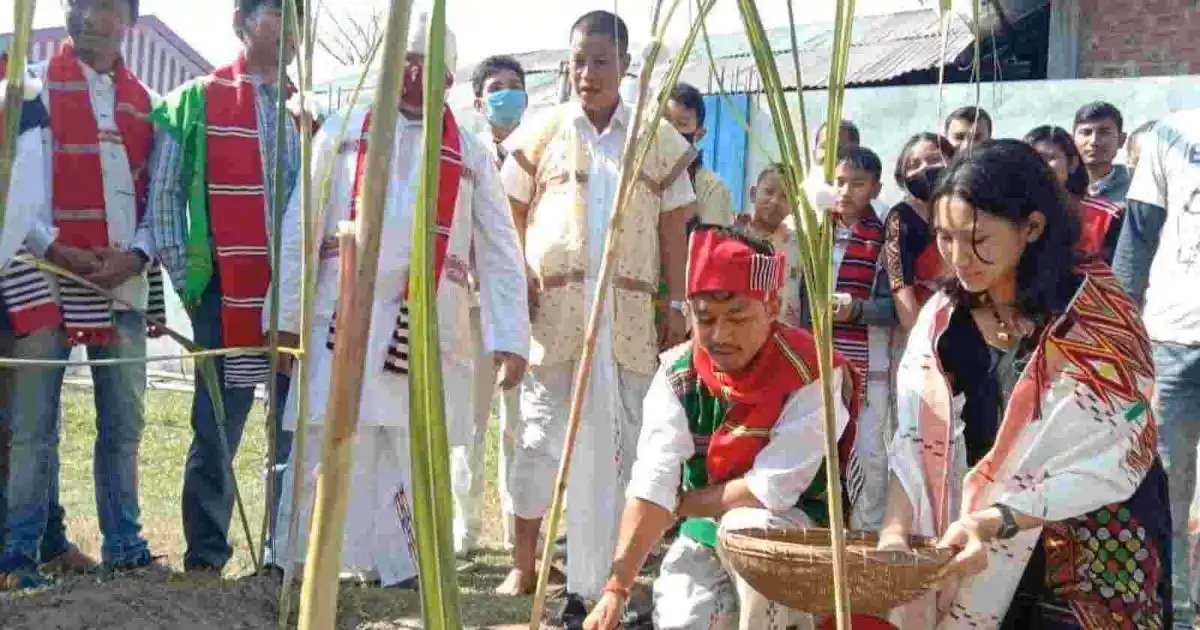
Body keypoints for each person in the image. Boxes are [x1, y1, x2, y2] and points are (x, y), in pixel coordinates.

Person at [269, 13, 530, 588]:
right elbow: (300, 226)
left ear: (447, 82)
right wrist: (286, 318)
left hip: (426, 320)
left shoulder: (470, 150)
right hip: (342, 315)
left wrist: (509, 336)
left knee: (410, 443)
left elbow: (500, 248)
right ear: (388, 68)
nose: (414, 78)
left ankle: (403, 566)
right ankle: (295, 560)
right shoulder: (342, 128)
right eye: (405, 65)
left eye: (428, 70)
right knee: (321, 431)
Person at [883, 140, 1171, 629]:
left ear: (1032, 228)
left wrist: (995, 520)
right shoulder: (942, 324)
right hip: (977, 542)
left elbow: (1111, 457)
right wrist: (893, 537)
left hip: (1095, 538)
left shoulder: (1098, 320)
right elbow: (913, 444)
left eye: (977, 239)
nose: (958, 258)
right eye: (945, 239)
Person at [499, 9, 698, 620]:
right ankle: (533, 563)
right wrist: (516, 286)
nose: (588, 73)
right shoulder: (540, 131)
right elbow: (508, 212)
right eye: (579, 61)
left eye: (602, 61)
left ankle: (607, 581)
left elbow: (676, 224)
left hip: (628, 316)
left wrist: (676, 301)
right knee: (540, 439)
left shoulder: (655, 138)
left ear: (625, 66)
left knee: (625, 446)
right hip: (556, 313)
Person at [582, 225, 860, 630]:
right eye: (705, 318)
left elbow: (773, 488)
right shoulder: (677, 374)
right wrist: (616, 590)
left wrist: (682, 504)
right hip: (705, 529)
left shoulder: (812, 370)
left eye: (737, 316)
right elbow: (652, 481)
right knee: (684, 618)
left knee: (747, 529)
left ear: (772, 306)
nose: (719, 335)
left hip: (793, 531)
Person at [0, 0, 162, 587]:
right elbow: (18, 190)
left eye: (102, 6)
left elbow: (156, 200)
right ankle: (19, 554)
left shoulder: (148, 106)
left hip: (122, 280)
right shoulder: (31, 91)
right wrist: (53, 247)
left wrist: (135, 255)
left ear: (129, 20)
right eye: (76, 3)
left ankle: (126, 546)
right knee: (34, 423)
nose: (85, 16)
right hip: (47, 278)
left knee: (124, 423)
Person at [147, 0, 302, 573]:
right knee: (217, 429)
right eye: (277, 15)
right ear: (241, 23)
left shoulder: (304, 111)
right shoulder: (196, 101)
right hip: (225, 294)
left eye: (298, 19)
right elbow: (163, 198)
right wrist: (192, 287)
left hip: (293, 298)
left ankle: (282, 555)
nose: (290, 30)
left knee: (291, 429)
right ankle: (207, 556)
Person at [1113, 109, 1200, 623]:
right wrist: (1121, 335)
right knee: (1167, 489)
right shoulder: (1174, 131)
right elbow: (1138, 240)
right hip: (1171, 341)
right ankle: (1172, 610)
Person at [455, 53, 530, 555]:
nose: (509, 95)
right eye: (498, 87)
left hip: (530, 311)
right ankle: (464, 530)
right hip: (474, 308)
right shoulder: (462, 148)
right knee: (471, 422)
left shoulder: (539, 150)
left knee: (522, 426)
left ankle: (516, 529)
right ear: (479, 99)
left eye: (516, 86)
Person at [884, 133, 954, 333]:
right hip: (923, 330)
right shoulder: (899, 218)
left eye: (933, 159)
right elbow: (900, 286)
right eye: (913, 165)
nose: (924, 168)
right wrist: (922, 340)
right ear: (902, 176)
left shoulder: (974, 211)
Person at [1025, 125, 1125, 264]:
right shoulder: (1013, 213)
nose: (1040, 166)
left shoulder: (1108, 217)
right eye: (1033, 159)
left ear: (1072, 163)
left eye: (1049, 158)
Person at [736, 164, 802, 327]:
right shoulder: (735, 238)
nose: (774, 201)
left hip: (785, 336)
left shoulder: (799, 248)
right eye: (769, 191)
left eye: (785, 197)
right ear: (752, 193)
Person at [665, 82, 734, 226]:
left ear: (699, 134)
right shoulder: (638, 177)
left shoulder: (712, 189)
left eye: (682, 124)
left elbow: (710, 245)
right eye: (665, 122)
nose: (669, 131)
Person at [1072, 101, 1130, 206]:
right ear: (1072, 140)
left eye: (1104, 132)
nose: (1094, 141)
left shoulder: (1136, 192)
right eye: (1086, 133)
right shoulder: (1060, 187)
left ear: (1121, 140)